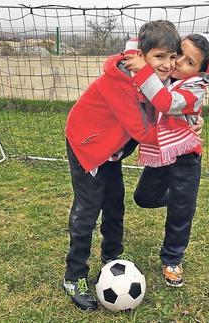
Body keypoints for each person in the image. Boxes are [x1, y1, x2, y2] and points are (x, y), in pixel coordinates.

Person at [62, 20, 181, 311]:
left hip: (110, 151)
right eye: (159, 57)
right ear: (141, 56)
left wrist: (188, 118)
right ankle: (74, 276)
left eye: (172, 57)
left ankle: (112, 258)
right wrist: (184, 135)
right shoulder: (121, 83)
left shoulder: (153, 78)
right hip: (88, 147)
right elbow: (144, 131)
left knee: (115, 203)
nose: (167, 64)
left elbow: (177, 96)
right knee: (88, 210)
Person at [123, 33, 209, 287]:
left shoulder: (195, 89)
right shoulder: (166, 74)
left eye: (189, 62)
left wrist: (143, 70)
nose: (178, 63)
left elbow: (166, 103)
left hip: (185, 158)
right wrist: (142, 51)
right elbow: (137, 43)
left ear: (200, 72)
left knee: (180, 212)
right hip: (160, 154)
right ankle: (181, 201)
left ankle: (172, 259)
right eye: (179, 53)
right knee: (143, 198)